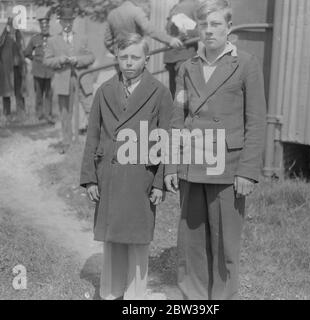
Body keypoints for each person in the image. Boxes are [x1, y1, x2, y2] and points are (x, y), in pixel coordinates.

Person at [164, 0, 267, 300]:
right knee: (191, 245)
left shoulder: (246, 64)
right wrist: (171, 165)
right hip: (191, 166)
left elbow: (256, 122)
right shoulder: (187, 67)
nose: (209, 31)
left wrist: (247, 170)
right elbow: (177, 118)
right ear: (198, 29)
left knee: (225, 245)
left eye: (216, 24)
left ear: (229, 28)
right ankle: (193, 299)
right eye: (204, 25)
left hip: (228, 169)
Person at [80, 33, 173, 300]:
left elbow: (163, 138)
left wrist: (159, 182)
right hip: (109, 175)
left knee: (137, 238)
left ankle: (135, 294)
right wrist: (90, 178)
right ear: (117, 59)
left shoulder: (159, 92)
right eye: (124, 57)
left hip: (141, 177)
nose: (129, 63)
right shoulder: (104, 91)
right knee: (113, 237)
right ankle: (110, 291)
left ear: (146, 59)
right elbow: (93, 136)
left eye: (135, 57)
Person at [44, 7, 95, 153]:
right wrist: (59, 60)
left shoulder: (82, 38)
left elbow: (91, 57)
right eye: (65, 21)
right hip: (63, 81)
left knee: (90, 109)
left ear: (73, 21)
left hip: (82, 79)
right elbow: (47, 61)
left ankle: (94, 144)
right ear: (60, 22)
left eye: (70, 20)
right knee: (65, 113)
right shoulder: (52, 41)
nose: (68, 24)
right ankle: (67, 143)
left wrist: (77, 60)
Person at [104, 0, 183, 56]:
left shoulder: (112, 14)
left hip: (120, 57)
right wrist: (170, 40)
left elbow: (107, 41)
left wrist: (117, 53)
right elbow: (149, 30)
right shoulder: (136, 11)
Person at [24, 6, 54, 124]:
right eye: (42, 25)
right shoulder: (34, 39)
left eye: (46, 25)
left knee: (49, 94)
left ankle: (48, 115)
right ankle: (39, 115)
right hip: (38, 71)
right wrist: (34, 60)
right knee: (39, 94)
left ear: (48, 26)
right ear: (40, 27)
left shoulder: (53, 39)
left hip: (50, 71)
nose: (44, 27)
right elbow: (26, 52)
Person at [163, 0, 200, 98]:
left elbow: (203, 30)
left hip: (184, 56)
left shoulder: (195, 5)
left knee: (183, 95)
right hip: (171, 57)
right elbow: (168, 30)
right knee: (174, 94)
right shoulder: (175, 6)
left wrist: (187, 32)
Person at [0, 17, 27, 123]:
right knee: (6, 92)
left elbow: (23, 49)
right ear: (7, 26)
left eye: (14, 26)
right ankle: (7, 115)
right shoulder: (4, 37)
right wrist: (5, 32)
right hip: (7, 70)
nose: (13, 28)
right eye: (11, 26)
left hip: (18, 69)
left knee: (19, 92)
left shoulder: (19, 36)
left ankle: (22, 114)